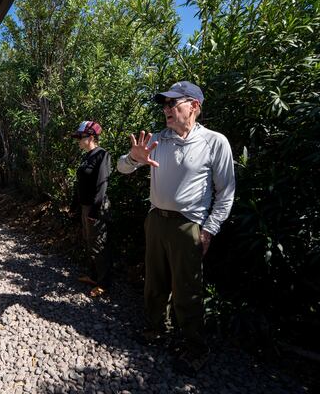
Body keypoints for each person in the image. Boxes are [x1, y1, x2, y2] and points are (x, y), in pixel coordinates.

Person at [117, 81, 235, 374]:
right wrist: (134, 158)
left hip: (188, 226)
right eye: (165, 104)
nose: (166, 109)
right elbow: (121, 167)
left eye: (173, 103)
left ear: (194, 106)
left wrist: (208, 230)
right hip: (156, 220)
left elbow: (226, 192)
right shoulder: (157, 140)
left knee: (187, 290)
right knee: (154, 283)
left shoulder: (215, 142)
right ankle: (157, 330)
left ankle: (195, 348)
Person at [71, 121, 112, 297]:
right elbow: (80, 183)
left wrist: (95, 211)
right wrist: (75, 205)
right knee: (90, 242)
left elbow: (102, 184)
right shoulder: (86, 156)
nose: (78, 141)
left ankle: (104, 283)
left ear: (91, 137)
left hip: (97, 207)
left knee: (99, 244)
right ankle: (94, 276)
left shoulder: (102, 155)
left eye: (81, 137)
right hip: (85, 206)